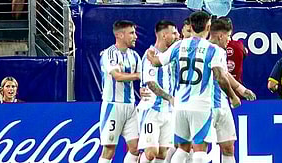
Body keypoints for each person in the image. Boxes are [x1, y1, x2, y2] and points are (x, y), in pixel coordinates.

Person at [145, 11, 240, 163]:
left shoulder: (178, 45)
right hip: (201, 105)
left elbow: (156, 62)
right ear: (208, 27)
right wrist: (233, 97)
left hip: (180, 105)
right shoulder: (214, 50)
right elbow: (220, 77)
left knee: (182, 149)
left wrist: (150, 55)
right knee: (200, 150)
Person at [206, 17, 257, 163]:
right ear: (220, 35)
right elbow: (219, 77)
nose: (229, 40)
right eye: (228, 36)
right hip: (204, 104)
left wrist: (241, 89)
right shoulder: (203, 49)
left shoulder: (220, 52)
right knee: (197, 149)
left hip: (221, 104)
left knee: (228, 147)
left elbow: (225, 73)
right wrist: (234, 96)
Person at [98, 20, 141, 163]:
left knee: (135, 148)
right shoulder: (109, 54)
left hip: (131, 107)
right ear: (120, 35)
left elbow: (143, 82)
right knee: (109, 149)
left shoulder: (135, 56)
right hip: (113, 106)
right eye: (131, 33)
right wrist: (138, 75)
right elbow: (117, 76)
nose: (135, 36)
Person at [137, 20, 178, 163]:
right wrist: (169, 97)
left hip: (168, 111)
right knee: (151, 153)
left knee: (162, 153)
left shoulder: (171, 56)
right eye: (174, 33)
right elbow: (150, 83)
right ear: (164, 35)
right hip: (152, 110)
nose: (177, 36)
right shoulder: (150, 55)